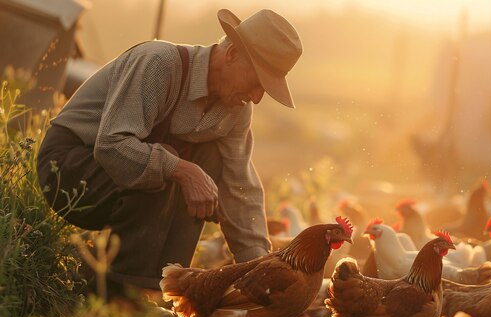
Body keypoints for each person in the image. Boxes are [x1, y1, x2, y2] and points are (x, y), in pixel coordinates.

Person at [36, 8, 303, 295]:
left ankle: (159, 287)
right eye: (257, 83)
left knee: (211, 162)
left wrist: (258, 270)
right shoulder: (158, 64)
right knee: (171, 167)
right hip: (70, 168)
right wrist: (182, 169)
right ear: (232, 55)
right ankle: (121, 294)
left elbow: (239, 186)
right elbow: (111, 145)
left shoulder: (236, 110)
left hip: (120, 177)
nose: (256, 97)